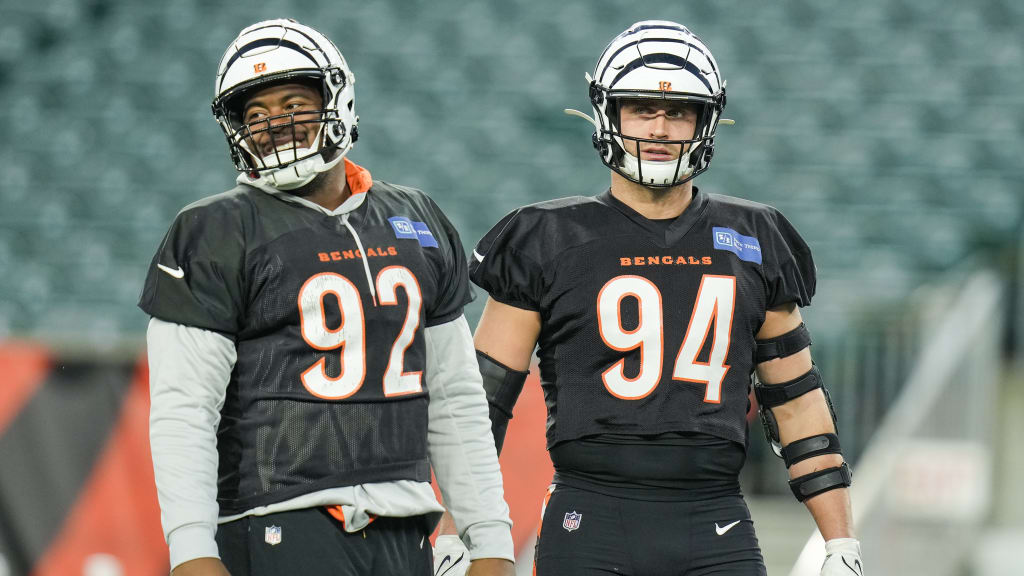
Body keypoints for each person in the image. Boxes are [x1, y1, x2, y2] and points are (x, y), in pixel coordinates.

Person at [462, 20, 864, 576]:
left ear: (706, 121)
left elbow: (796, 402)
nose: (659, 126)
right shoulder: (545, 237)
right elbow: (480, 408)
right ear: (609, 114)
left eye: (678, 111)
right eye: (640, 107)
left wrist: (841, 542)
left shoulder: (755, 236)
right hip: (589, 515)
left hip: (715, 517)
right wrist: (459, 528)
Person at [138, 18, 514, 576]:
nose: (274, 125)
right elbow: (184, 410)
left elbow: (455, 397)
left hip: (406, 528)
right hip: (279, 521)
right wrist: (192, 550)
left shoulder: (415, 217)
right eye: (256, 115)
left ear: (337, 99)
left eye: (293, 102)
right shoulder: (214, 230)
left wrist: (490, 538)